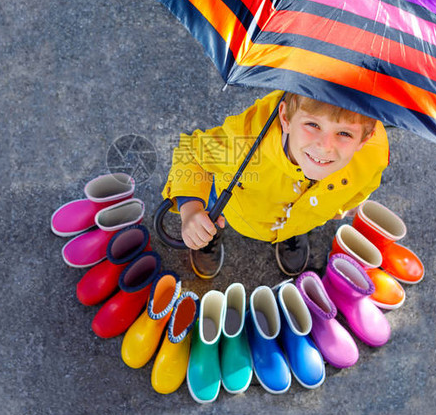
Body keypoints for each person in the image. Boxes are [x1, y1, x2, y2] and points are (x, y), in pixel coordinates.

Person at [163, 90, 389, 278]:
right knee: (211, 213)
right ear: (286, 118)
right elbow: (191, 153)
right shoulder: (246, 140)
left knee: (296, 220)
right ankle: (209, 231)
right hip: (239, 206)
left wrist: (339, 208)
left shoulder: (374, 155)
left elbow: (364, 185)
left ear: (365, 139)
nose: (324, 146)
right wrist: (191, 208)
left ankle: (289, 233)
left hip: (303, 218)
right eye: (312, 124)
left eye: (344, 133)